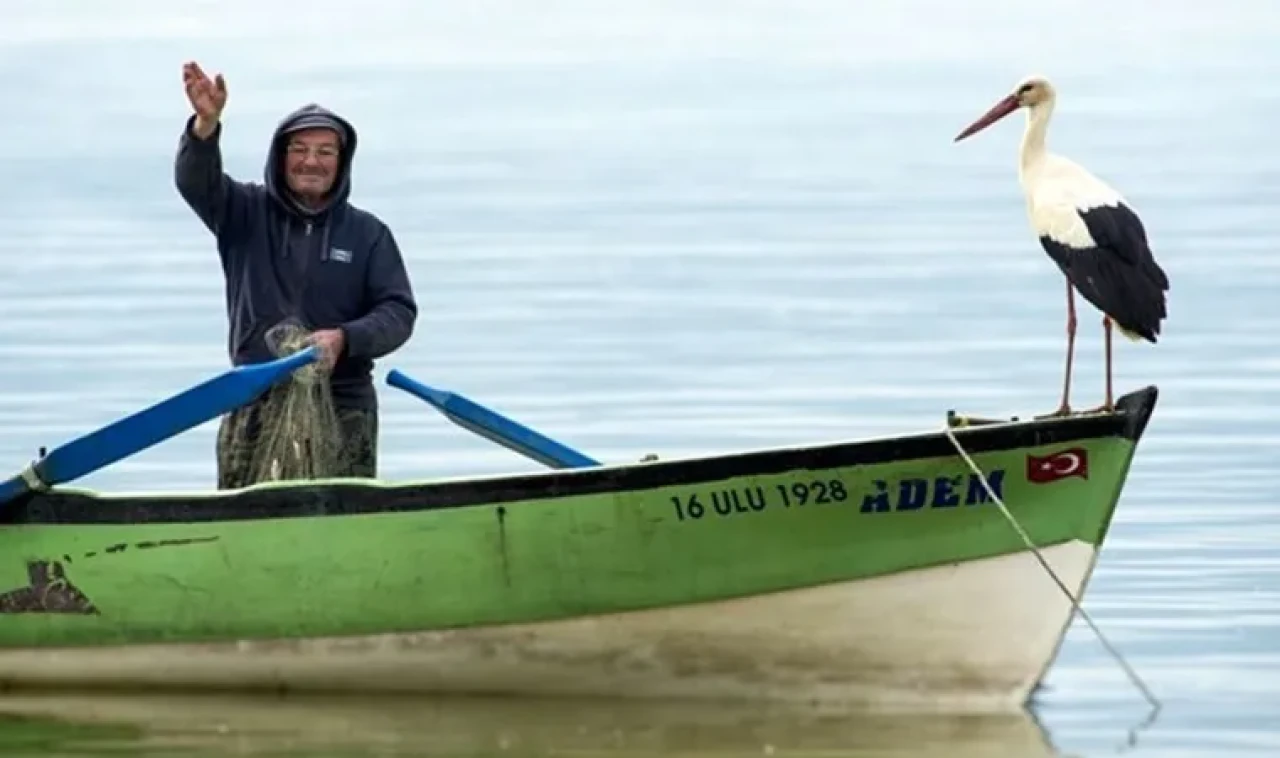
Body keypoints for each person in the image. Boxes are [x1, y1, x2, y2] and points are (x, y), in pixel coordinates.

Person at [174, 61, 418, 489]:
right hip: (254, 399)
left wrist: (345, 338)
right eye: (300, 149)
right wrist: (205, 127)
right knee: (243, 519)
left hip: (345, 406)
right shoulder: (242, 212)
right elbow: (197, 182)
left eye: (325, 152)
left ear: (341, 162)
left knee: (343, 521)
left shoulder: (368, 234)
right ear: (280, 156)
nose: (312, 161)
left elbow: (398, 313)